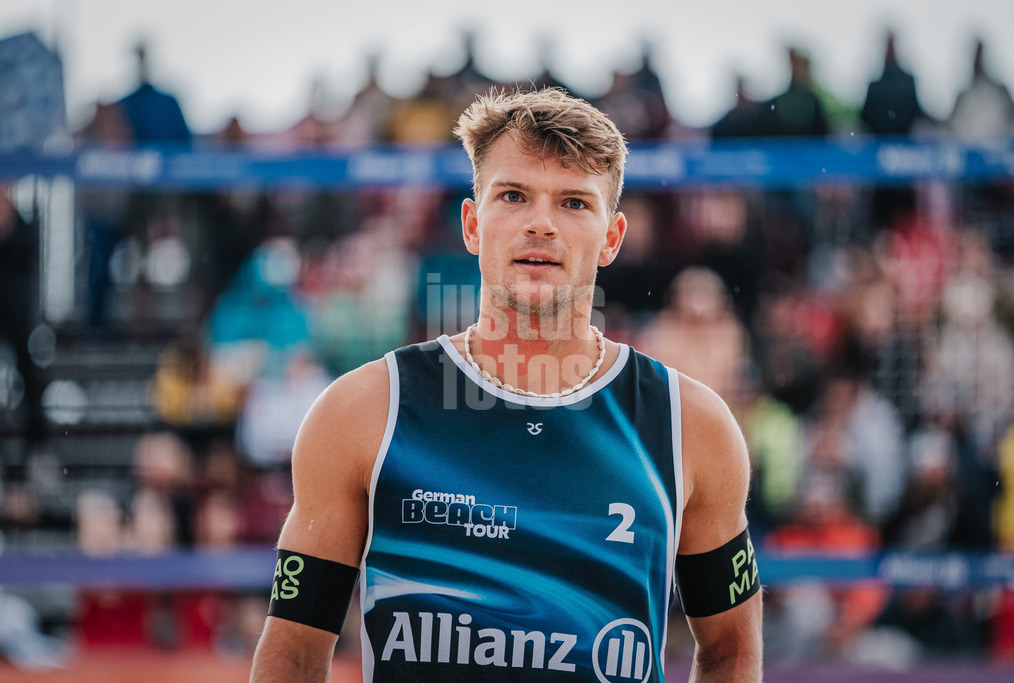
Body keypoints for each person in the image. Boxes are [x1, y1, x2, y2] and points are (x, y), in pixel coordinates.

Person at [250, 88, 762, 681]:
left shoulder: (689, 425)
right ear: (472, 224)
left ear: (612, 238)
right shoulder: (366, 410)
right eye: (514, 196)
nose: (541, 223)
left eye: (574, 202)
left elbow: (731, 651)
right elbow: (294, 651)